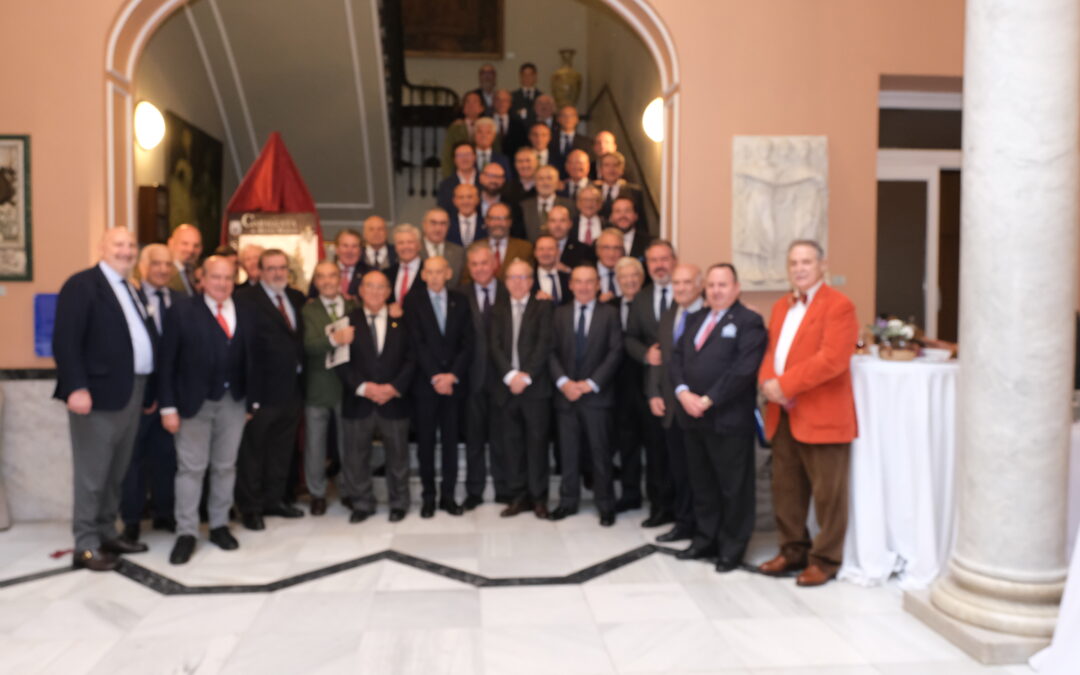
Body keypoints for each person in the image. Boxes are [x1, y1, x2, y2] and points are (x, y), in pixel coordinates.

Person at [53, 227, 157, 571]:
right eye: (119, 244)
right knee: (91, 473)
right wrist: (76, 387)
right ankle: (85, 544)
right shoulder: (82, 285)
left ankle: (105, 532)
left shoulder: (132, 288)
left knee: (116, 471)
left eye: (131, 245)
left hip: (132, 390)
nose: (126, 251)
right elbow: (66, 341)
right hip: (95, 396)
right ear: (102, 247)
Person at [757, 240, 858, 587]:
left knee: (829, 495)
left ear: (822, 265)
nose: (799, 268)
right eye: (794, 263)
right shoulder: (781, 307)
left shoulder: (840, 305)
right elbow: (772, 349)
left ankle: (826, 560)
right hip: (782, 413)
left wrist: (785, 385)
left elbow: (832, 360)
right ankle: (792, 551)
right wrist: (769, 381)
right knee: (787, 489)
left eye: (806, 262)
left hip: (822, 414)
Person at [158, 255, 255, 564]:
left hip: (234, 403)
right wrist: (168, 407)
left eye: (228, 278)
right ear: (202, 279)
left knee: (226, 467)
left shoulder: (244, 310)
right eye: (216, 277)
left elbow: (253, 359)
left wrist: (251, 401)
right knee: (191, 469)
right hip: (192, 405)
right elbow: (167, 363)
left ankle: (219, 525)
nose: (223, 284)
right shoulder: (182, 311)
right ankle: (186, 532)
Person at [671, 264, 767, 572]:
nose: (715, 290)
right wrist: (683, 392)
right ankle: (704, 540)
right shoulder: (694, 318)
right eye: (711, 285)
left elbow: (743, 369)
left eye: (722, 285)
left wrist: (709, 399)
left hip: (728, 419)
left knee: (733, 488)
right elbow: (676, 358)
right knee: (703, 486)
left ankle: (731, 549)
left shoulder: (749, 321)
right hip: (692, 418)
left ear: (736, 288)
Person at [233, 249, 306, 530]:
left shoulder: (296, 298)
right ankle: (251, 508)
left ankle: (274, 501)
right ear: (259, 271)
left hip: (292, 390)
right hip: (261, 392)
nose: (277, 273)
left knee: (281, 450)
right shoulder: (245, 300)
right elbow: (244, 349)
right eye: (271, 268)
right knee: (253, 452)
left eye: (282, 268)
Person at [335, 271, 415, 523]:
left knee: (398, 456)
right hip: (359, 401)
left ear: (389, 291)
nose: (375, 292)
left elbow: (412, 358)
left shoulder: (402, 320)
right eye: (370, 286)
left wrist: (393, 387)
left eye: (381, 287)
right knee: (356, 457)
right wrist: (362, 387)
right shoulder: (346, 320)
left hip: (394, 400)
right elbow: (340, 362)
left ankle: (399, 503)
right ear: (360, 290)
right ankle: (362, 503)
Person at [548, 265, 623, 526]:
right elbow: (551, 351)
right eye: (578, 282)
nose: (583, 287)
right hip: (566, 396)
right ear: (570, 285)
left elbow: (615, 352)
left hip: (597, 397)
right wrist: (564, 382)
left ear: (598, 285)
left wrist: (591, 383)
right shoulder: (559, 314)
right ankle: (568, 502)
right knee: (568, 453)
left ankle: (605, 505)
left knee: (600, 453)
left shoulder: (610, 314)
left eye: (589, 282)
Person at [404, 256, 472, 517]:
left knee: (451, 443)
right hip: (425, 385)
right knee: (426, 444)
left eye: (438, 271)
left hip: (454, 386)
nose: (433, 276)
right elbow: (416, 342)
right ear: (422, 275)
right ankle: (429, 497)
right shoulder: (413, 301)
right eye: (429, 272)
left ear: (448, 273)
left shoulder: (460, 300)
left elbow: (468, 343)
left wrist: (452, 375)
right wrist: (436, 376)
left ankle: (448, 496)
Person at [119, 244, 177, 544]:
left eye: (168, 265)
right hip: (138, 396)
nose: (163, 270)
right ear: (143, 266)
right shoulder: (130, 299)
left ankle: (165, 513)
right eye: (156, 264)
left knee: (167, 457)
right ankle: (131, 520)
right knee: (134, 461)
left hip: (172, 399)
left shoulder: (180, 301)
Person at [490, 258, 554, 518]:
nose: (518, 283)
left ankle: (539, 498)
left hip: (535, 388)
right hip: (507, 389)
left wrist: (525, 376)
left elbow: (545, 343)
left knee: (537, 445)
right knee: (512, 445)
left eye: (523, 277)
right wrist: (510, 375)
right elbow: (494, 345)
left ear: (531, 280)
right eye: (512, 278)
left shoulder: (543, 307)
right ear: (505, 282)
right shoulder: (498, 309)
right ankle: (518, 497)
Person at [645, 263, 704, 539]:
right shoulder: (669, 316)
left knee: (700, 473)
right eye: (676, 284)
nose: (680, 288)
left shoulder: (709, 316)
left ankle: (703, 527)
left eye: (687, 283)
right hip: (670, 407)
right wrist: (654, 393)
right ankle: (684, 523)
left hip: (700, 409)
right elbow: (658, 360)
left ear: (699, 285)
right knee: (679, 470)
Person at [625, 240, 677, 522]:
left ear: (674, 260)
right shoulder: (641, 298)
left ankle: (683, 509)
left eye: (664, 259)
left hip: (684, 386)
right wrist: (645, 354)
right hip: (652, 386)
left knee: (680, 452)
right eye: (653, 260)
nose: (659, 265)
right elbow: (630, 337)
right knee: (655, 449)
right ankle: (659, 507)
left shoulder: (687, 294)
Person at [301, 261, 357, 516]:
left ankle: (348, 490)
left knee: (349, 442)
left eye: (331, 276)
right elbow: (307, 345)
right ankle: (317, 493)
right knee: (315, 444)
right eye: (320, 277)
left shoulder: (353, 306)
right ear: (315, 282)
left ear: (340, 278)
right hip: (318, 386)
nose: (326, 281)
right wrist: (333, 339)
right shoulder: (307, 311)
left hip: (348, 386)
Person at [461, 243, 511, 507]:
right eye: (474, 264)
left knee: (501, 437)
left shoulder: (509, 290)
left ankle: (503, 488)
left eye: (484, 263)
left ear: (494, 264)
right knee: (474, 440)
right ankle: (474, 491)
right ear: (469, 268)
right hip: (472, 378)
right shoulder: (458, 294)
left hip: (503, 378)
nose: (480, 268)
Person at [609, 257, 649, 511]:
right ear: (617, 281)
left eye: (634, 275)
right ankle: (630, 493)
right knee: (627, 444)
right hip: (619, 387)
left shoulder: (651, 305)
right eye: (624, 277)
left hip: (649, 385)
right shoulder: (609, 306)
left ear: (641, 278)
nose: (630, 280)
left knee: (655, 446)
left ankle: (660, 497)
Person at [463, 203, 532, 283]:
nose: (498, 223)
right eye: (493, 218)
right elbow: (466, 280)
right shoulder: (473, 248)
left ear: (510, 222)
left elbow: (529, 278)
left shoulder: (525, 248)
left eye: (502, 218)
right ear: (486, 221)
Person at [518, 165, 573, 242]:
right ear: (535, 182)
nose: (545, 182)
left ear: (557, 182)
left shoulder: (569, 205)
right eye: (541, 178)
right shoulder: (524, 206)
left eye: (549, 178)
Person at [441, 92, 485, 177]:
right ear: (463, 108)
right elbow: (447, 155)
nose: (471, 105)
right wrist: (448, 178)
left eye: (475, 102)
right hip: (459, 175)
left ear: (481, 108)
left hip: (482, 175)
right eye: (467, 102)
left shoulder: (488, 127)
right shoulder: (455, 128)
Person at [596, 151, 646, 222]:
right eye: (607, 165)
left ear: (622, 169)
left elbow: (641, 221)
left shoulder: (634, 192)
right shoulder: (592, 190)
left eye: (615, 165)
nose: (611, 169)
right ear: (600, 170)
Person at [420, 207, 465, 284]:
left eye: (443, 223)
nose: (438, 228)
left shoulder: (459, 252)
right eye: (433, 223)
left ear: (448, 226)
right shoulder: (414, 250)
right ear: (424, 225)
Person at [386, 223, 425, 308]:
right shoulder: (387, 273)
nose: (405, 246)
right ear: (395, 247)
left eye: (410, 242)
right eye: (401, 243)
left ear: (419, 245)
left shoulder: (429, 271)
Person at [547, 205, 595, 270]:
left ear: (570, 224)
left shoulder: (583, 250)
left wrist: (567, 270)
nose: (557, 225)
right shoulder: (538, 247)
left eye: (562, 220)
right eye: (553, 221)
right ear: (547, 224)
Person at [550, 106, 592, 178]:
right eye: (564, 116)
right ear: (558, 119)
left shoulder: (587, 142)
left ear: (577, 119)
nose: (568, 119)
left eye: (571, 116)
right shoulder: (549, 140)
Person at [437, 142, 479, 212]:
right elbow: (443, 211)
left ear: (475, 157)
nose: (464, 158)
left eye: (468, 154)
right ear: (454, 159)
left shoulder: (484, 181)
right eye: (460, 155)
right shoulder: (445, 185)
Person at [533, 234, 570, 305]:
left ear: (558, 252)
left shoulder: (568, 277)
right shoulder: (527, 278)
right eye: (541, 249)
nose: (545, 253)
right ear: (535, 253)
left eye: (550, 249)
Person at [609, 197, 649, 262]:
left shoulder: (649, 243)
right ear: (611, 217)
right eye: (618, 211)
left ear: (636, 216)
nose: (622, 215)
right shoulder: (600, 243)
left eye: (627, 211)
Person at [166, 223, 202, 297]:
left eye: (196, 245)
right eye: (185, 243)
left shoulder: (198, 276)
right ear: (171, 243)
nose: (191, 250)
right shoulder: (162, 273)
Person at [492, 88, 526, 158]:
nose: (501, 103)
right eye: (498, 99)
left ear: (510, 104)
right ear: (493, 102)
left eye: (505, 100)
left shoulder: (519, 125)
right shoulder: (486, 122)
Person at [595, 228, 625, 301]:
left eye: (617, 248)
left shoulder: (630, 274)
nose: (611, 254)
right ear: (597, 250)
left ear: (623, 251)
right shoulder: (587, 274)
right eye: (606, 248)